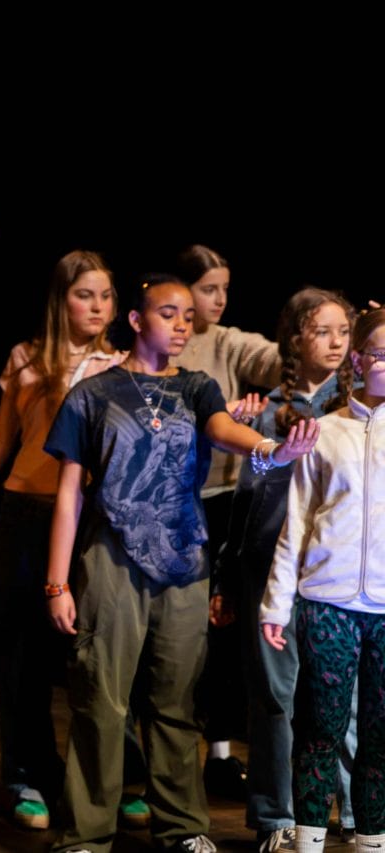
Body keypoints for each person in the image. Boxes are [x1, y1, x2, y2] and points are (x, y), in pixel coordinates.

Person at [44, 275, 319, 853]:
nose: (181, 324)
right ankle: (86, 836)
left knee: (177, 700)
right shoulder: (93, 395)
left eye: (189, 317)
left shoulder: (197, 388)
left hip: (183, 558)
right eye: (168, 313)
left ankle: (184, 827)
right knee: (100, 697)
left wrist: (271, 449)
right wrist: (57, 582)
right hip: (110, 554)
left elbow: (223, 431)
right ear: (138, 320)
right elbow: (69, 492)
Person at [0, 250, 123, 829]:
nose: (97, 306)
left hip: (90, 519)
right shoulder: (26, 358)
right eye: (84, 295)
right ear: (60, 299)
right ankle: (27, 776)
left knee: (92, 655)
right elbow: (1, 437)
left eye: (105, 296)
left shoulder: (123, 366)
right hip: (24, 513)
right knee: (21, 654)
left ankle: (119, 776)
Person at [219, 289, 357, 852]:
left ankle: (351, 811)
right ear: (296, 336)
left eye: (345, 332)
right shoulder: (266, 406)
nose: (336, 342)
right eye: (323, 330)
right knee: (274, 697)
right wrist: (227, 579)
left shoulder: (357, 410)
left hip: (336, 572)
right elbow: (242, 501)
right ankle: (276, 817)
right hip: (267, 569)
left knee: (342, 698)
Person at [259, 306, 385, 853]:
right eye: (380, 352)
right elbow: (298, 520)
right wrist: (274, 606)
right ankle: (307, 840)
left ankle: (372, 838)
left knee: (379, 737)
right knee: (319, 729)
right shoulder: (324, 431)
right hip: (326, 602)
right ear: (358, 360)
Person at [170, 244, 284, 801]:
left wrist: (348, 332)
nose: (219, 299)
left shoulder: (226, 341)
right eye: (209, 287)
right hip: (173, 502)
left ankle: (218, 751)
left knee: (222, 626)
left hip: (224, 500)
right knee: (180, 630)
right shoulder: (164, 340)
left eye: (225, 289)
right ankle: (166, 751)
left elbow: (276, 354)